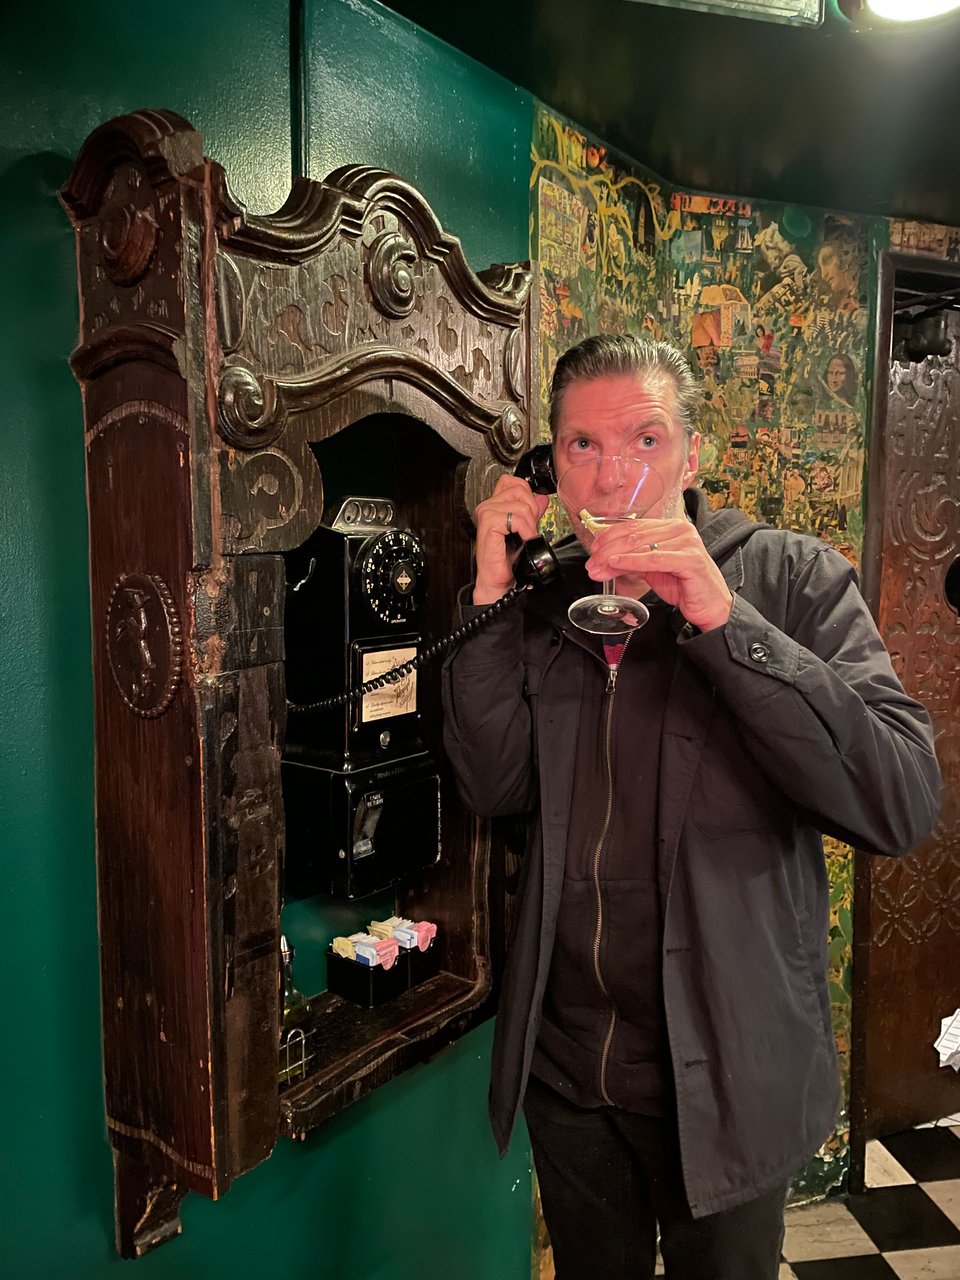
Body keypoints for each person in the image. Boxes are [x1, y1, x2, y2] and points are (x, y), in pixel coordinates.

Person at [441, 334, 942, 1280]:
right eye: (581, 447)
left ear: (692, 455)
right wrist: (491, 595)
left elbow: (901, 801)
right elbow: (492, 786)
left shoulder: (791, 580)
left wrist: (724, 621)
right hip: (570, 1076)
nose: (613, 474)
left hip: (729, 1077)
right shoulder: (544, 604)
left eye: (645, 439)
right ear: (550, 465)